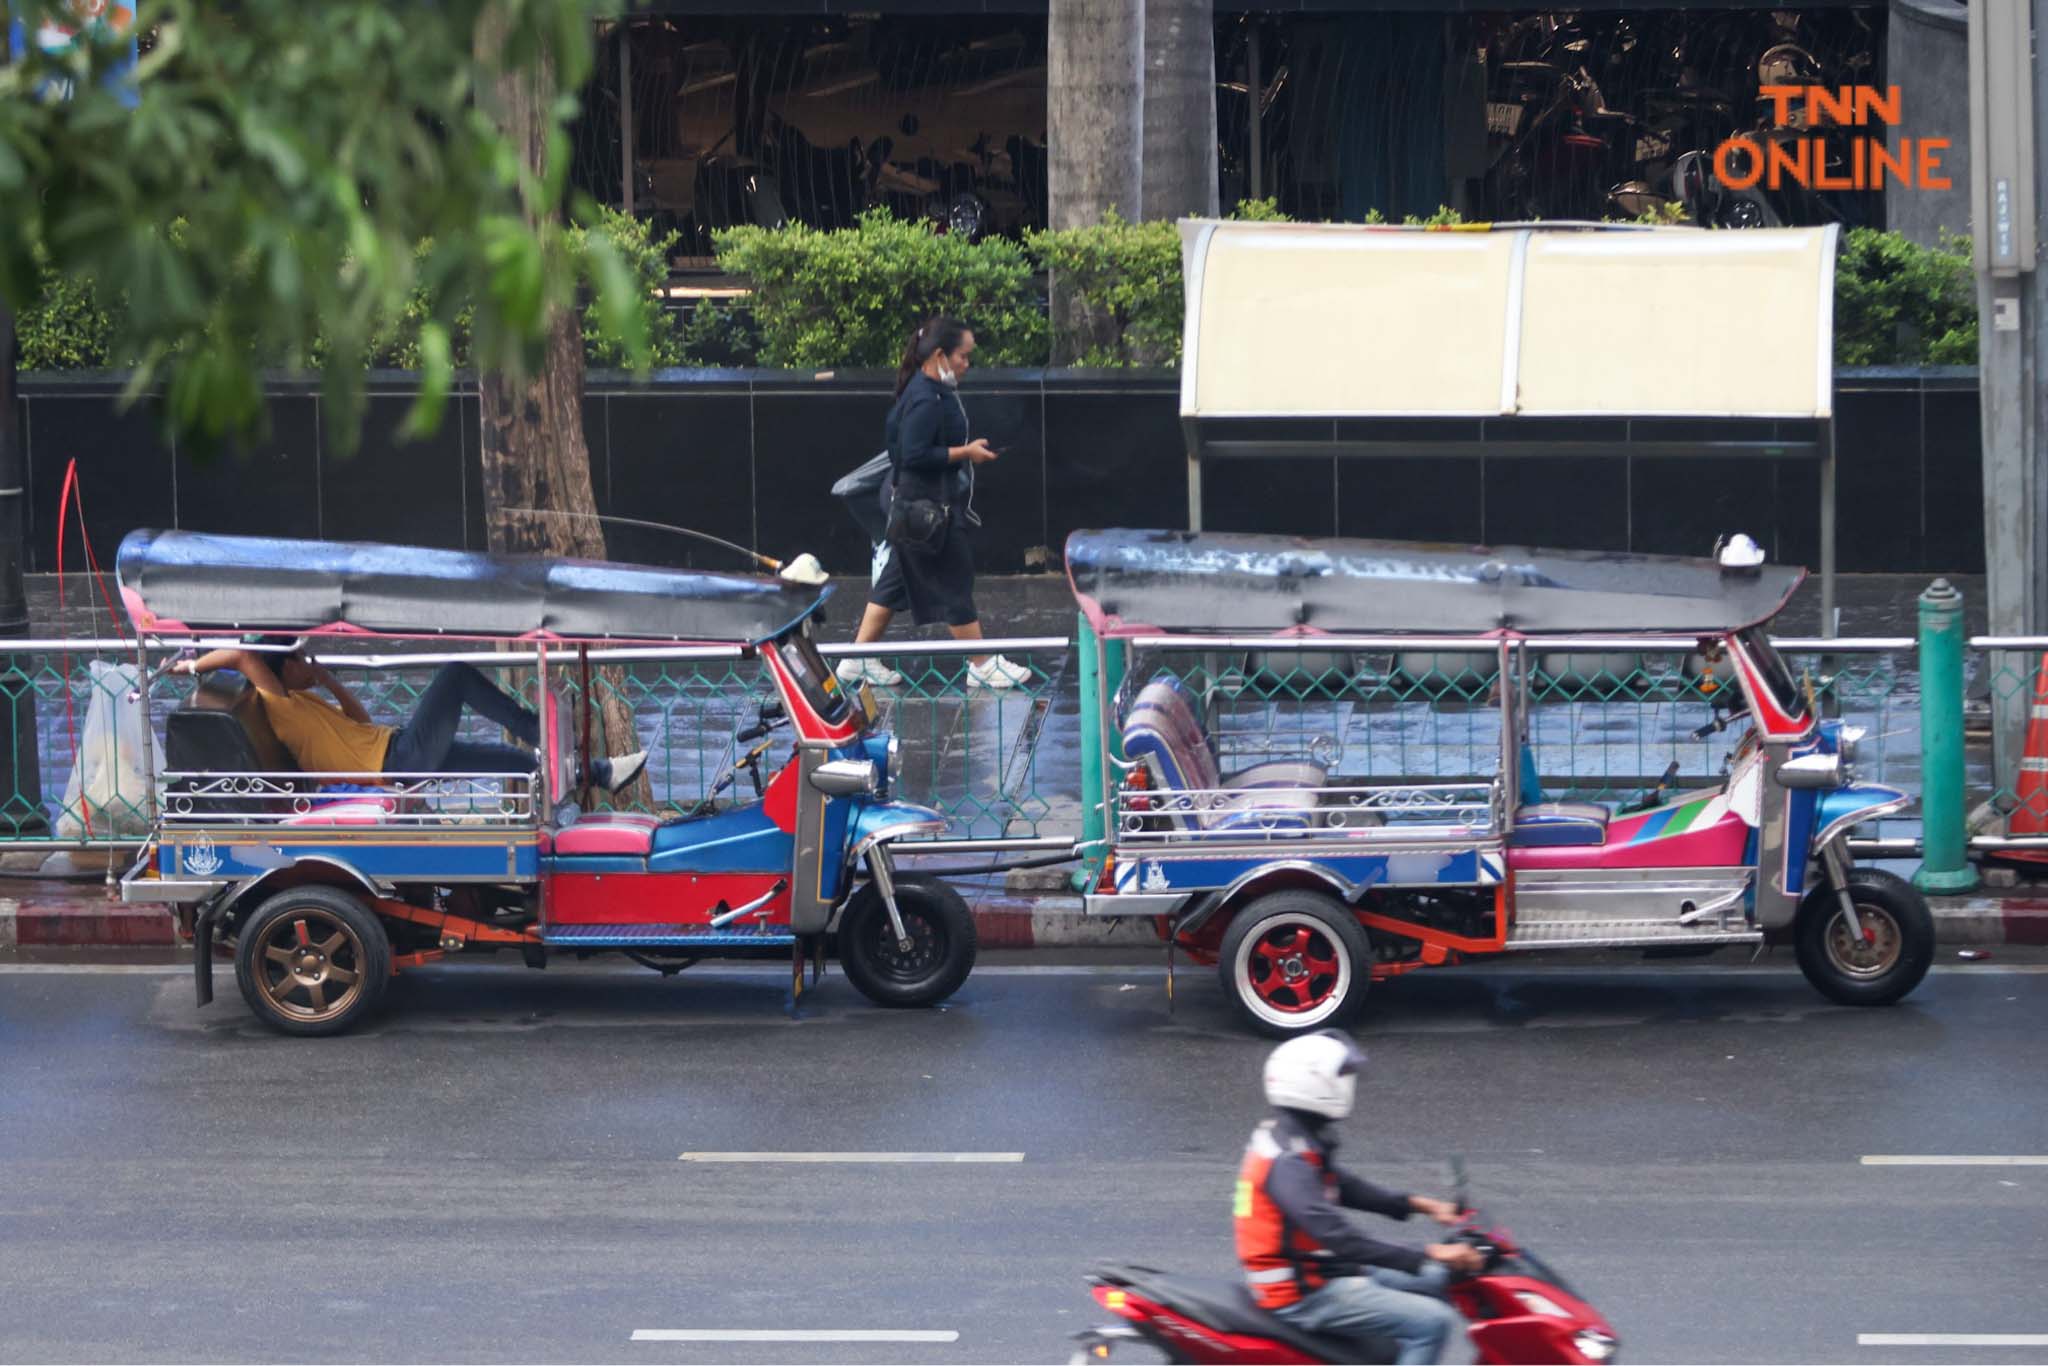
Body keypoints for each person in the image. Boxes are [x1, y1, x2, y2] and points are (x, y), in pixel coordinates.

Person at [1237, 1030, 1484, 1365]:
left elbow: (1343, 1185)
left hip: (1321, 1268)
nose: (1349, 1083)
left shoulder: (1293, 1136)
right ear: (1313, 1083)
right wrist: (1431, 1251)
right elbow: (1338, 1236)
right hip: (1303, 1291)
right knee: (1431, 1322)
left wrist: (1421, 1205)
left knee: (1443, 1279)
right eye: (1342, 1075)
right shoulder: (1287, 1161)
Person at [834, 316, 1033, 692]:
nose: (966, 364)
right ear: (940, 354)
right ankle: (982, 664)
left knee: (892, 585)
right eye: (963, 356)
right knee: (954, 581)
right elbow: (913, 454)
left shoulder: (923, 390)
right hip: (926, 513)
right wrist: (966, 453)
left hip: (917, 507)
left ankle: (855, 661)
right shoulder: (925, 398)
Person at [172, 637, 646, 790]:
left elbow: (358, 721)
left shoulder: (303, 701)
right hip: (398, 761)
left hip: (398, 751)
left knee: (518, 763)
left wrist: (330, 681)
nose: (307, 661)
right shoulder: (277, 705)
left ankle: (598, 774)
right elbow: (241, 657)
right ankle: (537, 730)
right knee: (456, 675)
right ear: (283, 666)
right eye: (300, 657)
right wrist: (190, 664)